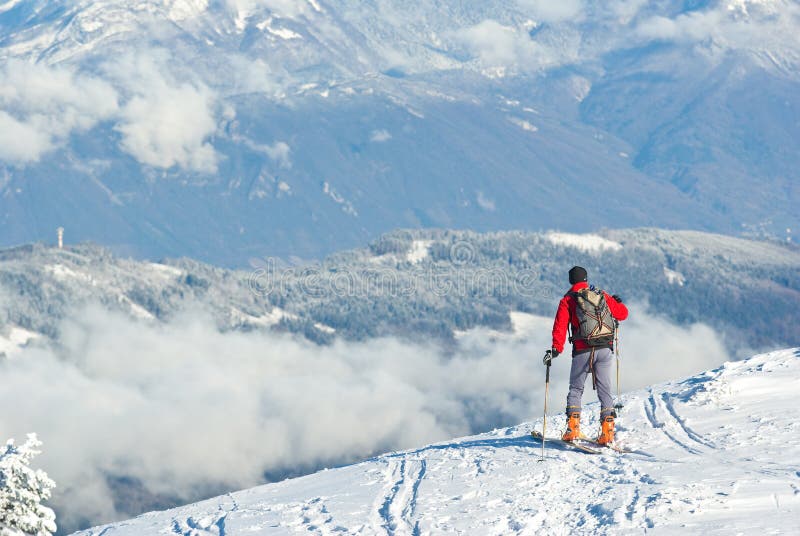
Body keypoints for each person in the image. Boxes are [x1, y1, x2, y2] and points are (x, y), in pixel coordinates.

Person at [547, 266, 628, 445]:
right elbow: (623, 314)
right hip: (605, 348)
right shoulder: (600, 294)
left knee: (576, 389)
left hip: (583, 350)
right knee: (604, 389)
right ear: (586, 278)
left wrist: (555, 349)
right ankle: (608, 432)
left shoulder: (567, 300)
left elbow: (560, 326)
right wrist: (618, 302)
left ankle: (573, 429)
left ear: (571, 280)